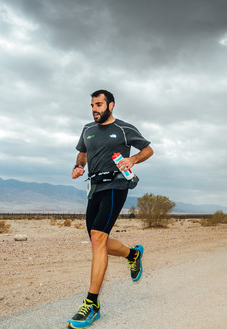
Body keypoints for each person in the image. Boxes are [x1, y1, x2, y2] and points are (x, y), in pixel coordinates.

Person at [68, 89, 153, 328]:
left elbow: (148, 149)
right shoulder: (87, 130)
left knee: (97, 238)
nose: (94, 109)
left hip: (117, 185)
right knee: (98, 241)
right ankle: (132, 254)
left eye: (99, 104)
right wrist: (78, 166)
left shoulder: (125, 129)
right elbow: (82, 153)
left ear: (111, 106)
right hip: (94, 187)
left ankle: (92, 304)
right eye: (92, 105)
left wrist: (133, 159)